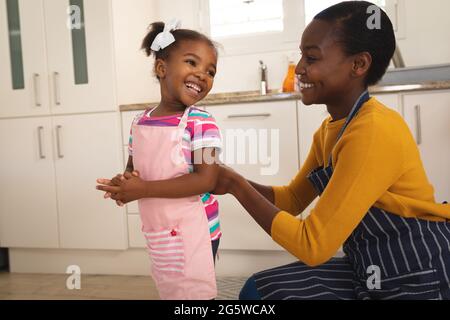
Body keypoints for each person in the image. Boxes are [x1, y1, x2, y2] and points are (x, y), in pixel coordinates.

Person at [212, 1, 450, 300]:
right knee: (257, 290)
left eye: (311, 57)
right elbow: (292, 199)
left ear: (358, 65)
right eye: (302, 55)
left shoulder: (374, 130)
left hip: (420, 272)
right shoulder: (330, 130)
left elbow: (313, 245)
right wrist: (231, 179)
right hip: (370, 265)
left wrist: (235, 186)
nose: (299, 68)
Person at [96, 20, 223, 300]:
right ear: (162, 68)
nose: (202, 75)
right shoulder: (139, 121)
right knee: (170, 290)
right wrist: (125, 184)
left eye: (210, 72)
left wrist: (144, 190)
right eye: (192, 63)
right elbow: (134, 169)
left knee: (194, 295)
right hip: (159, 230)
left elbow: (207, 179)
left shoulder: (203, 122)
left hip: (194, 232)